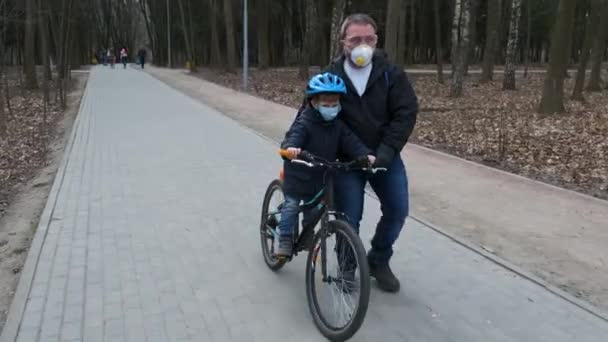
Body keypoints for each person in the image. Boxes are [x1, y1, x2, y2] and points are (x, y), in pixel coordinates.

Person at [299, 14, 418, 293]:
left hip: (383, 155)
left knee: (398, 210)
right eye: (355, 40)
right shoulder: (331, 75)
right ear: (344, 43)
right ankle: (348, 267)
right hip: (345, 161)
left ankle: (378, 259)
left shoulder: (391, 73)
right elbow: (311, 113)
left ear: (376, 41)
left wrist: (387, 151)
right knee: (348, 216)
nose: (363, 45)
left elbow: (406, 112)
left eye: (369, 39)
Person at [277, 72, 376, 258]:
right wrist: (291, 149)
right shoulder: (304, 122)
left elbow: (351, 141)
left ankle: (306, 236)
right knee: (291, 206)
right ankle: (284, 239)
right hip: (298, 175)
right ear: (314, 103)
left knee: (312, 210)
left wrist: (366, 155)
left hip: (318, 176)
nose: (330, 108)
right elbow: (293, 138)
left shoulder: (338, 125)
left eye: (334, 104)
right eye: (325, 104)